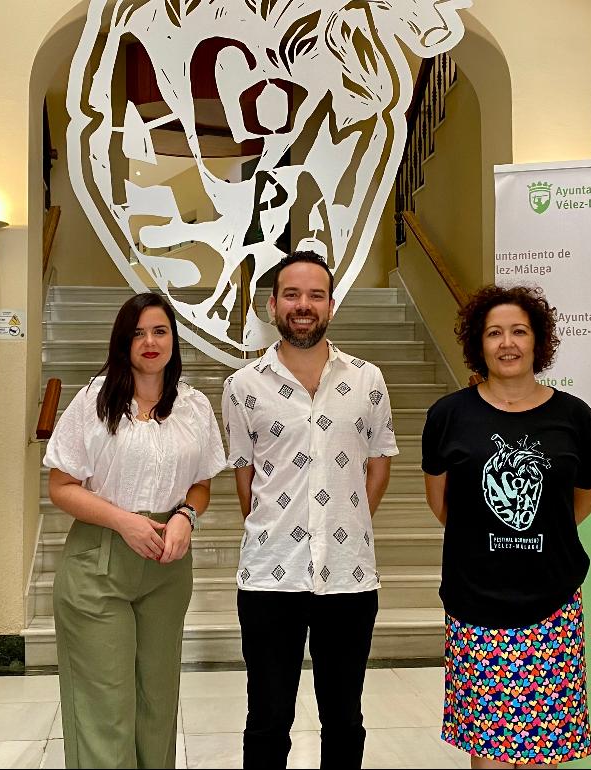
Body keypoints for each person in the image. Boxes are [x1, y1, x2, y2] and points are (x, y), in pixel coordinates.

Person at [222, 251, 398, 769]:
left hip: (349, 578)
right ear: (272, 304)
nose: (304, 305)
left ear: (331, 305)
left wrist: (347, 524)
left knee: (344, 720)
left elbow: (379, 463)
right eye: (292, 295)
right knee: (267, 719)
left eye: (315, 295)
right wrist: (278, 528)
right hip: (268, 580)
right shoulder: (243, 386)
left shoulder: (368, 380)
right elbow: (244, 476)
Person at [421, 284, 591, 768]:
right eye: (495, 333)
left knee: (545, 748)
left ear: (537, 341)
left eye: (519, 332)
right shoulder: (448, 415)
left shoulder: (575, 417)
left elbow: (579, 505)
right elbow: (443, 504)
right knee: (489, 749)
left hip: (552, 602)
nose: (507, 343)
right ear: (478, 345)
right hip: (475, 600)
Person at [44, 292, 226, 769]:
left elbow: (202, 483)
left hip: (167, 567)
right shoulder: (94, 401)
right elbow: (61, 487)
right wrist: (122, 520)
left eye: (160, 331)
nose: (150, 341)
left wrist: (186, 515)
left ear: (173, 340)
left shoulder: (194, 407)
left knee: (158, 702)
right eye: (138, 332)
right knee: (106, 708)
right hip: (100, 560)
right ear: (123, 342)